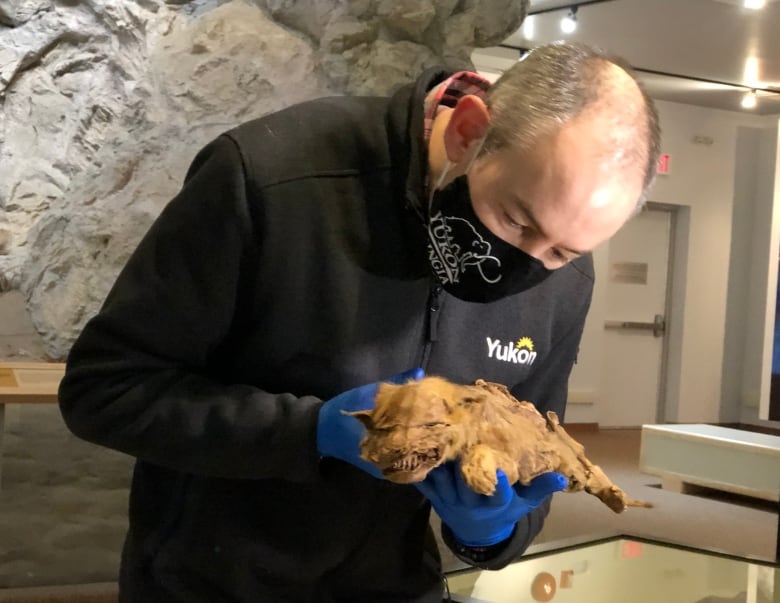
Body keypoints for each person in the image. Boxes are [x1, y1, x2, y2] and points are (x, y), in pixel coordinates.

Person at [58, 41, 660, 602]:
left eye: (561, 252)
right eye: (515, 220)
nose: (529, 264)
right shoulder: (271, 176)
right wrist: (311, 431)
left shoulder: (567, 283)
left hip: (396, 584)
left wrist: (490, 530)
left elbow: (531, 468)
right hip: (211, 582)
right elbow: (104, 390)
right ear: (470, 132)